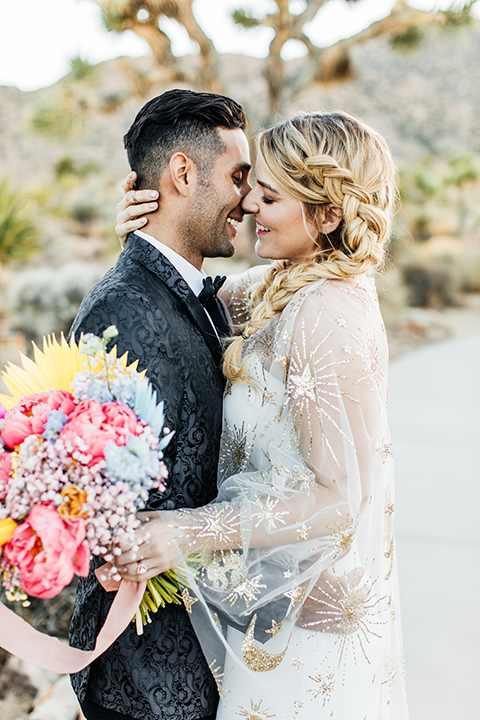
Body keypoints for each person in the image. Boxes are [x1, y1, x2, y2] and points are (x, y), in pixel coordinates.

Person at [114, 110, 409, 719]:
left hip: (310, 636)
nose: (247, 204)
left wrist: (185, 533)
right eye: (249, 186)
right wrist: (143, 243)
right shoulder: (281, 282)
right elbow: (180, 303)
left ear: (327, 214)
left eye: (268, 195)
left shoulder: (331, 313)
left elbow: (338, 498)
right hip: (272, 616)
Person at [68, 88, 252, 720]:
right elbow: (98, 506)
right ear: (182, 173)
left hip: (200, 657)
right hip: (146, 677)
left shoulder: (190, 290)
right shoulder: (122, 306)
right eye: (238, 176)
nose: (249, 200)